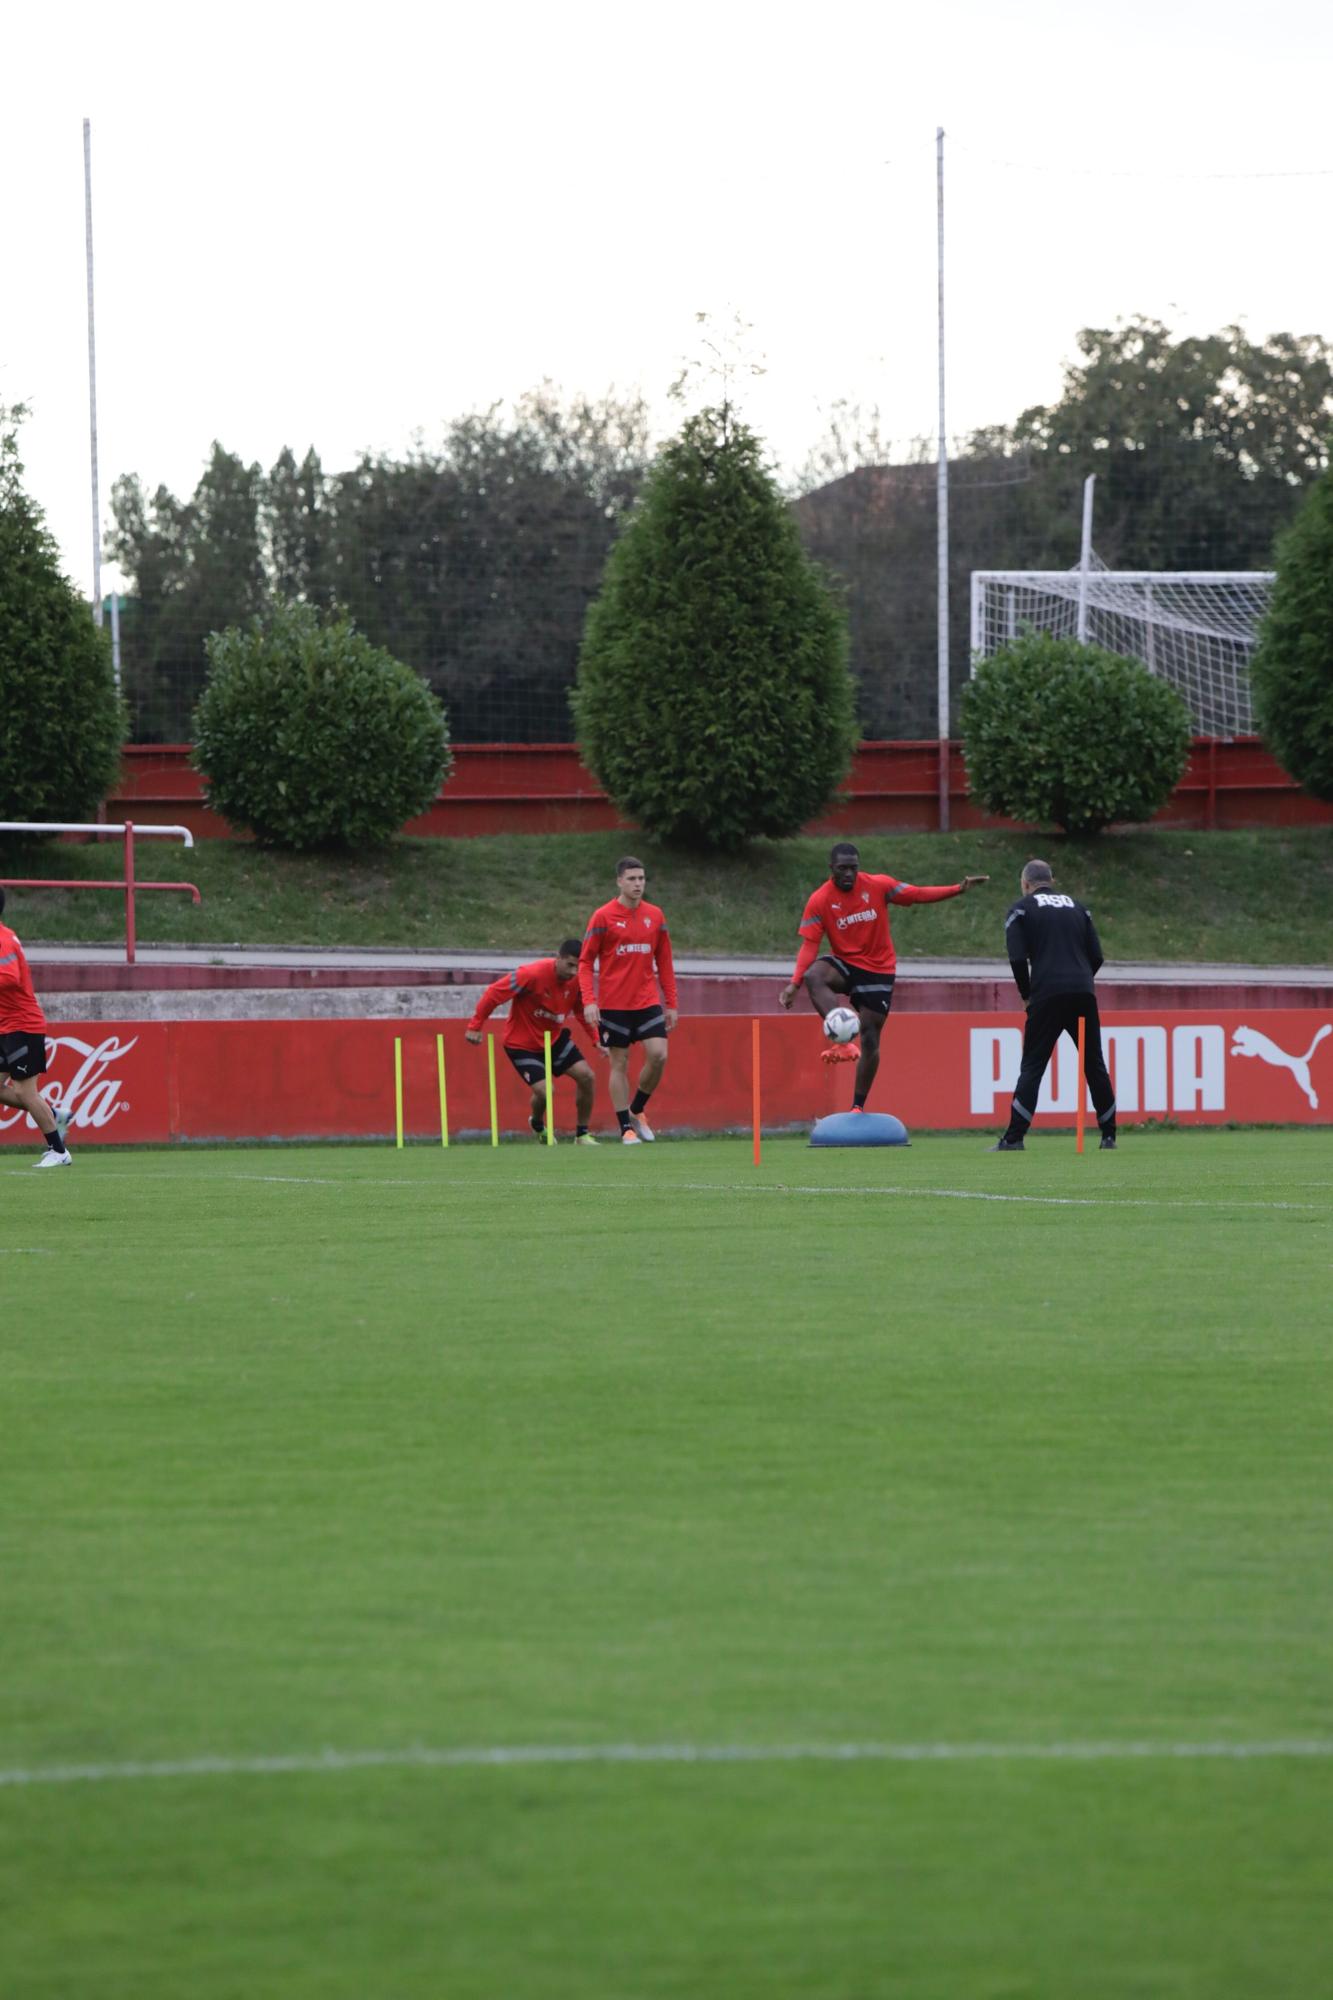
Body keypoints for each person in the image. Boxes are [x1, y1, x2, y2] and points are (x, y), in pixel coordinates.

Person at [780, 841, 989, 1112]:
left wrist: (957, 889)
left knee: (870, 1038)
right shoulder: (820, 900)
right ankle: (842, 1039)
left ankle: (857, 1107)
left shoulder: (878, 886)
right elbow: (810, 945)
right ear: (831, 868)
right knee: (814, 976)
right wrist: (793, 984)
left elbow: (916, 894)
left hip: (878, 969)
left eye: (853, 868)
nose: (848, 874)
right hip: (845, 963)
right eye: (842, 868)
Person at [991, 858, 1117, 1152]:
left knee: (1033, 1065)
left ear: (1025, 884)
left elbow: (1017, 958)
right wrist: (1081, 979)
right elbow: (1097, 956)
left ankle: (1014, 1138)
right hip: (1083, 994)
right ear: (1051, 881)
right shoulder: (1078, 907)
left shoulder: (1020, 909)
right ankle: (1108, 1135)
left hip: (1046, 994)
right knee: (1093, 1063)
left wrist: (1026, 994)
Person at [466, 939, 604, 1144]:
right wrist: (475, 1026)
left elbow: (580, 1011)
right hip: (521, 1045)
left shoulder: (577, 981)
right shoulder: (530, 974)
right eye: (570, 965)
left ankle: (582, 1134)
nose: (574, 972)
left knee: (587, 1077)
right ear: (558, 959)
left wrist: (596, 1039)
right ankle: (538, 1123)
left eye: (579, 966)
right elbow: (494, 993)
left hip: (554, 1040)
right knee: (545, 1091)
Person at [579, 857, 678, 1145]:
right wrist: (589, 1001)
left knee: (659, 1055)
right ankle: (626, 1128)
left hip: (647, 1001)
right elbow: (585, 962)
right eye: (632, 879)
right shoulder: (602, 916)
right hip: (613, 1004)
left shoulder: (655, 916)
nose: (638, 884)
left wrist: (671, 1004)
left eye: (642, 879)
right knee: (618, 1063)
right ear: (619, 881)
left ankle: (637, 1109)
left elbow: (665, 962)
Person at [0, 889, 73, 1168]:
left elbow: (9, 977)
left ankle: (59, 1151)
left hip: (22, 1025)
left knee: (24, 1092)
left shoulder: (3, 939)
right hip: (6, 1026)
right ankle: (56, 1114)